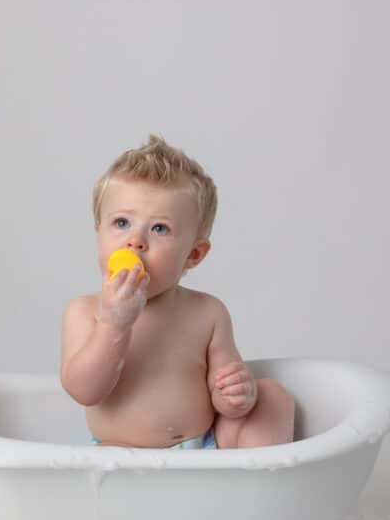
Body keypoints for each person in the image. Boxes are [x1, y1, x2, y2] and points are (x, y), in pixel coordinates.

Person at [60, 135, 295, 449]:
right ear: (98, 232)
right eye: (121, 222)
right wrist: (113, 325)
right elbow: (85, 391)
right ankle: (202, 492)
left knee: (272, 397)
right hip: (124, 455)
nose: (135, 241)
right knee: (103, 461)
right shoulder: (85, 312)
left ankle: (249, 482)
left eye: (159, 228)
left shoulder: (207, 312)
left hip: (206, 451)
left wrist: (235, 395)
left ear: (194, 254)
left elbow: (224, 392)